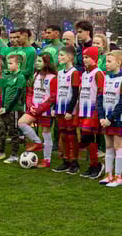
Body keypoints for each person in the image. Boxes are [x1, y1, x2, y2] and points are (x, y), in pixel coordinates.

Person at [17, 53, 58, 167]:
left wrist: (40, 108)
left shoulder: (53, 78)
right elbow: (30, 92)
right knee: (21, 122)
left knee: (46, 133)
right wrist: (30, 105)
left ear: (47, 63)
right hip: (34, 108)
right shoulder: (35, 75)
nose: (36, 63)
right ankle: (37, 142)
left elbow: (53, 97)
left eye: (40, 61)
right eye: (36, 61)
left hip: (45, 110)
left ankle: (47, 160)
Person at [98, 51, 122, 188]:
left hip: (117, 118)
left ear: (118, 62)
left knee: (117, 145)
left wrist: (111, 118)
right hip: (105, 118)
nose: (106, 64)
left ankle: (118, 176)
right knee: (108, 145)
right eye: (106, 61)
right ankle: (108, 174)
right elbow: (100, 98)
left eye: (109, 61)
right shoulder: (105, 77)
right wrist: (101, 117)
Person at [75, 46, 105, 179]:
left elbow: (101, 92)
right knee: (85, 137)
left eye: (87, 57)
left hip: (92, 110)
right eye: (84, 57)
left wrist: (97, 111)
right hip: (83, 110)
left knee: (88, 137)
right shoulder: (85, 74)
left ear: (94, 58)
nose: (84, 59)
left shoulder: (98, 73)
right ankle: (93, 164)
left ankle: (97, 165)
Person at [53, 46, 82, 174]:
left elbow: (75, 93)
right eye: (59, 55)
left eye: (62, 55)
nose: (59, 57)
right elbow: (58, 92)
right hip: (60, 108)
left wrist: (70, 111)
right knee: (63, 134)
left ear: (70, 57)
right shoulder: (59, 73)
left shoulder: (74, 73)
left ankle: (74, 162)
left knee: (72, 135)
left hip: (69, 109)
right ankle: (66, 160)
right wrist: (55, 107)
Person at [0, 53, 27, 164]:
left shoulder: (20, 77)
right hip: (5, 109)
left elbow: (17, 95)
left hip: (14, 109)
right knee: (0, 129)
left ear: (18, 64)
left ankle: (14, 155)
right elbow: (4, 93)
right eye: (8, 63)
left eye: (10, 63)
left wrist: (8, 109)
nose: (8, 65)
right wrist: (3, 106)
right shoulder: (8, 76)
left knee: (13, 132)